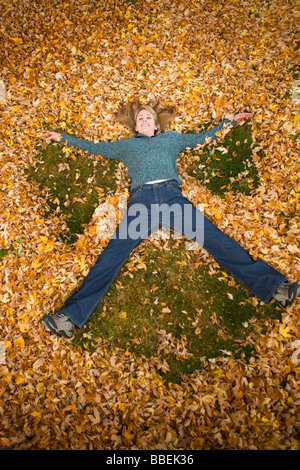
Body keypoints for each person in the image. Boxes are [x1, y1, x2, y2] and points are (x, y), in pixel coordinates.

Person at [40, 99, 299, 338]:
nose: (144, 120)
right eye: (140, 118)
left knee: (217, 241)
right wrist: (61, 137)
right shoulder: (125, 146)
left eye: (148, 118)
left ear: (155, 124)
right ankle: (69, 318)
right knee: (111, 256)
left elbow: (203, 138)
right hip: (141, 205)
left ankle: (276, 289)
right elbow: (93, 148)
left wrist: (229, 121)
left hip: (172, 199)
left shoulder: (172, 139)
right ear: (135, 125)